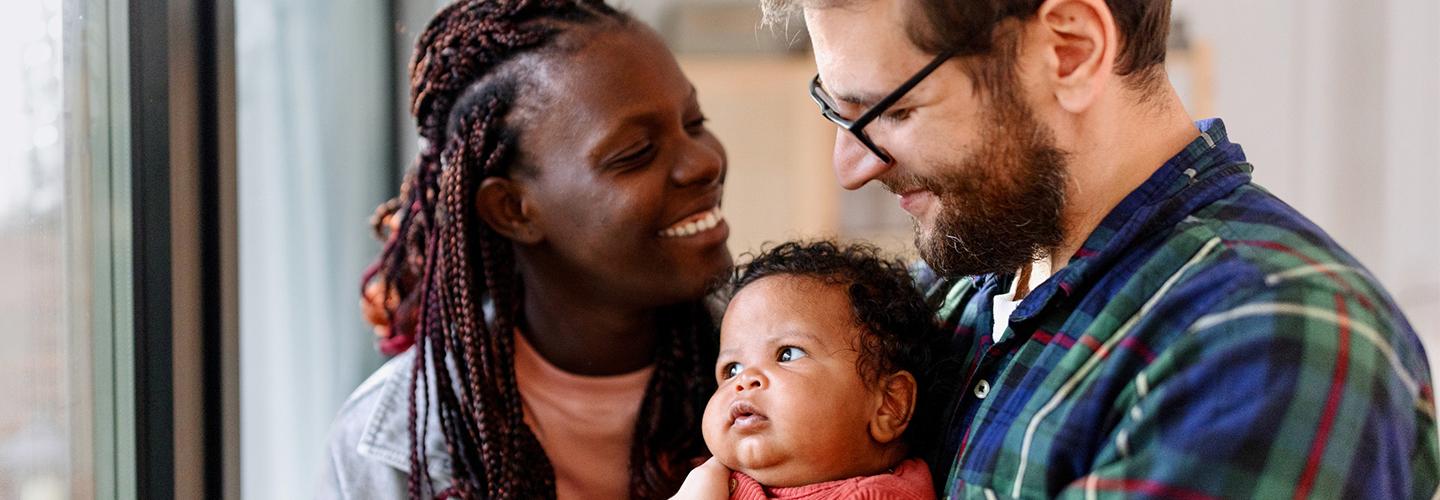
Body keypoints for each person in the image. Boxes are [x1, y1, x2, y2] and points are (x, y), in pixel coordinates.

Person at [760, 0, 1439, 497]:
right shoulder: (958, 284)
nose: (851, 167)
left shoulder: (1268, 341)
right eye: (837, 109)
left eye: (893, 112)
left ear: (1070, 49)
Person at [320, 1, 733, 498]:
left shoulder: (798, 378)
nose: (704, 162)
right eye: (636, 154)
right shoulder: (387, 451)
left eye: (694, 122)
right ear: (512, 209)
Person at [672, 241, 943, 500]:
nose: (744, 380)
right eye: (732, 369)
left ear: (888, 405)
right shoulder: (703, 477)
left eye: (787, 354)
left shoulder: (875, 494)